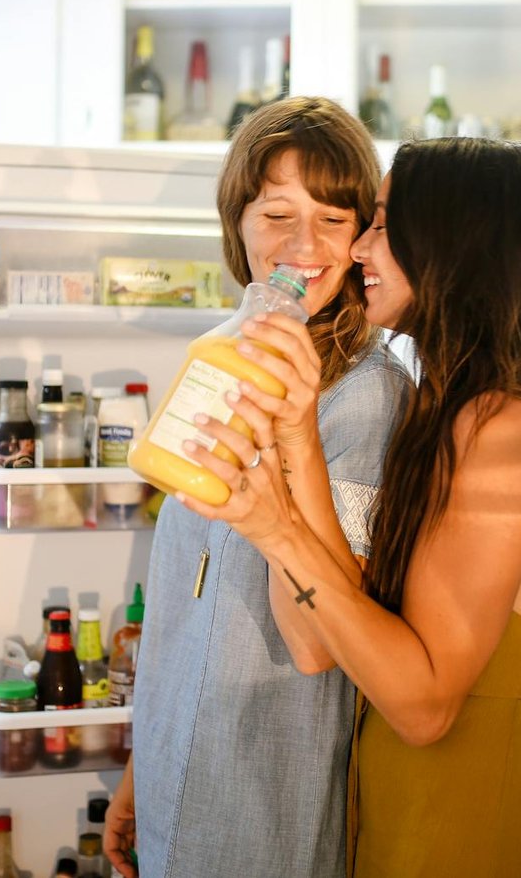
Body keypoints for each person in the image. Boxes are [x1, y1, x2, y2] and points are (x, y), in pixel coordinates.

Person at [173, 137, 521, 877]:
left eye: (380, 223)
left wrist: (272, 525)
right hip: (409, 820)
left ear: (452, 244)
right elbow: (353, 615)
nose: (359, 248)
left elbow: (423, 706)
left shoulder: (508, 435)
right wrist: (298, 431)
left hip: (471, 838)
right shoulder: (451, 408)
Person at [104, 97, 411, 878]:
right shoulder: (215, 354)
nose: (302, 245)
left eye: (334, 219)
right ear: (236, 225)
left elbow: (317, 645)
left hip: (267, 792)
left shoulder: (365, 397)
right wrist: (144, 766)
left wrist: (285, 438)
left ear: (360, 242)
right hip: (179, 762)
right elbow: (183, 599)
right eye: (277, 212)